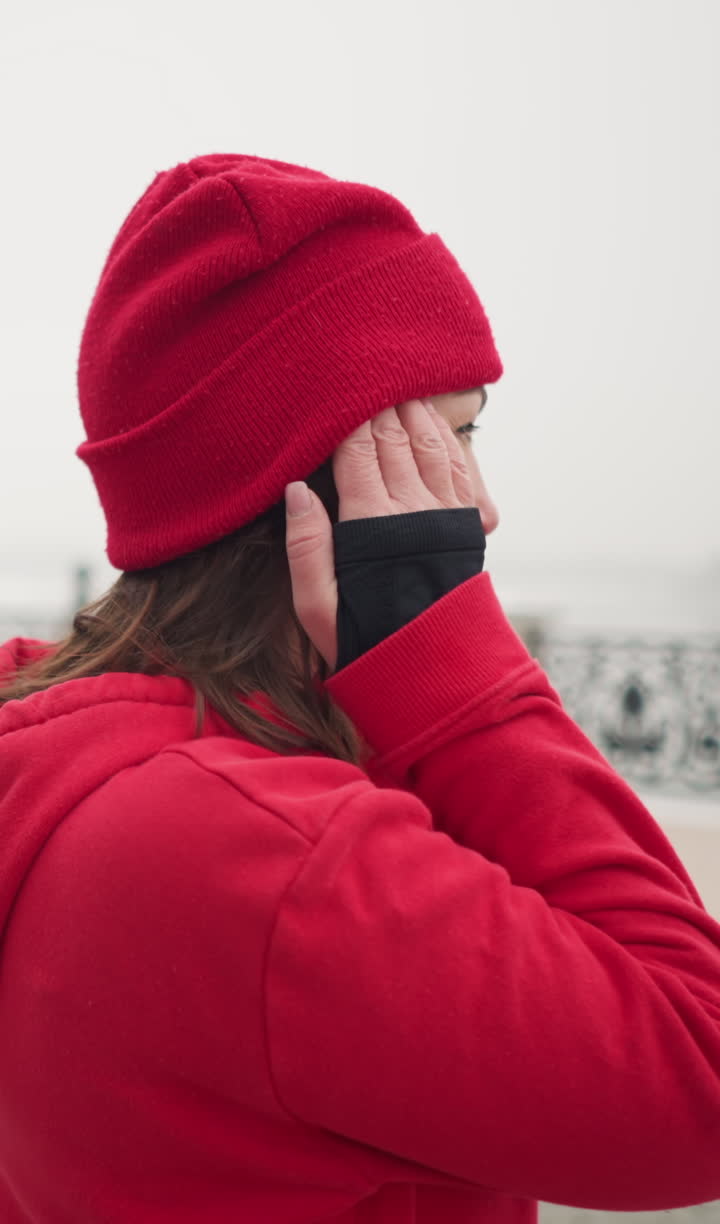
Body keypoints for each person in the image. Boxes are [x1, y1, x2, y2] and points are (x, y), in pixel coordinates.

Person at [0, 154, 718, 1224]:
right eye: (456, 436)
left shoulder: (63, 755)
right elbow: (695, 1081)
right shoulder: (268, 859)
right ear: (338, 484)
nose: (480, 503)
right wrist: (461, 673)